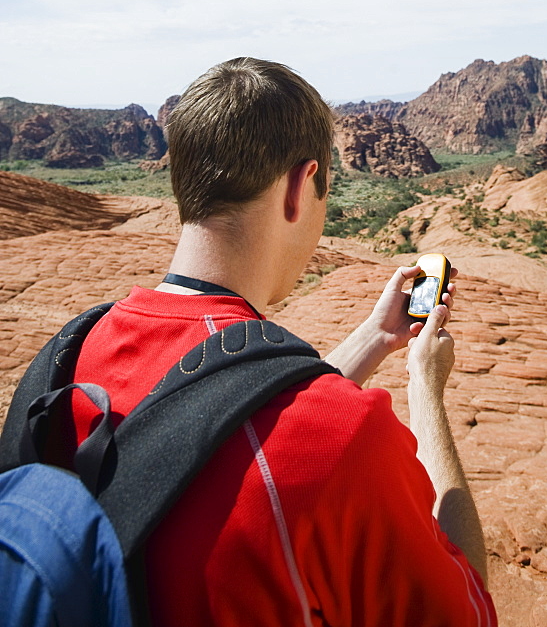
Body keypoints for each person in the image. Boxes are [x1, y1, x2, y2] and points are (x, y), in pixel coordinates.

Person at [65, 57, 497, 626]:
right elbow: (465, 612)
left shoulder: (70, 357)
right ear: (299, 186)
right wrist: (424, 387)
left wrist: (376, 337)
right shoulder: (347, 436)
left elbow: (228, 414)